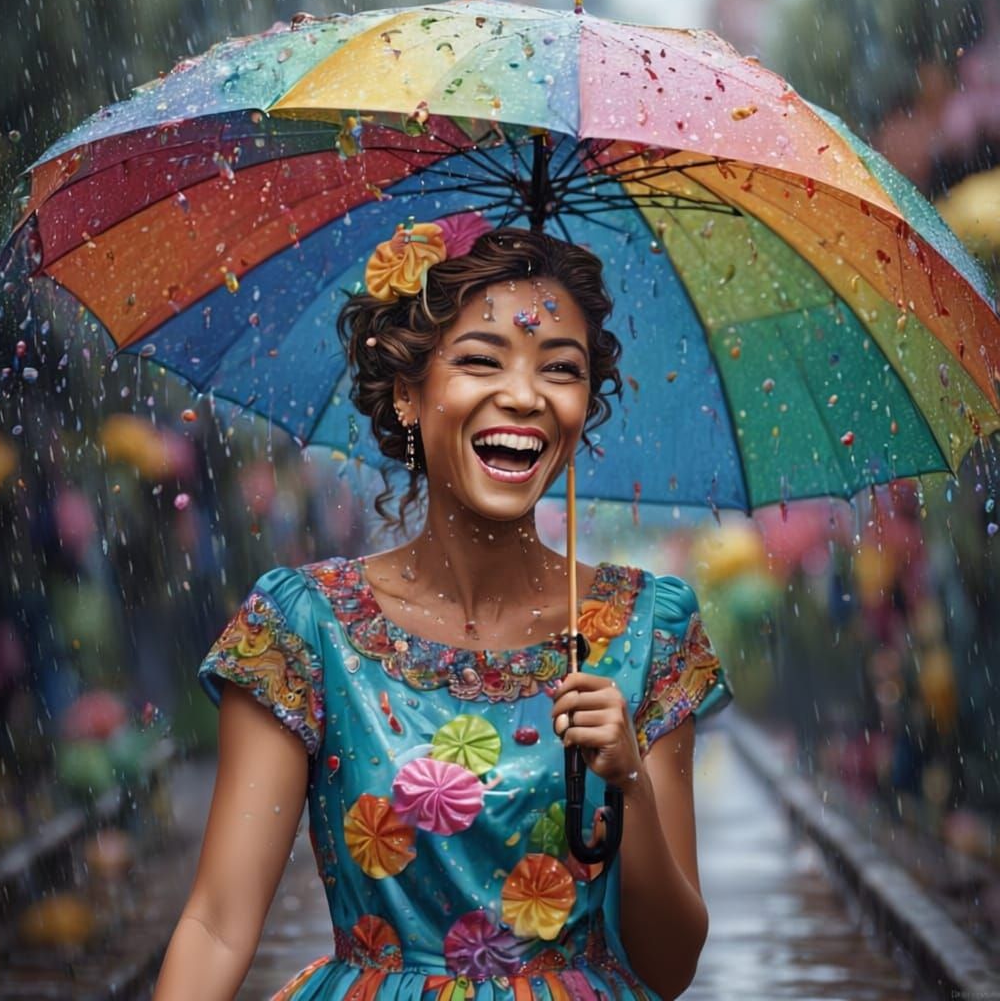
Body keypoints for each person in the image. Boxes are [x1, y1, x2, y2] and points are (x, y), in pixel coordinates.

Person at [154, 223, 734, 1001]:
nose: (524, 396)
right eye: (480, 361)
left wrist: (630, 784)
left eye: (560, 369)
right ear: (407, 392)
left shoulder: (647, 632)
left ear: (583, 405)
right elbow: (219, 922)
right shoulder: (304, 629)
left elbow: (669, 970)